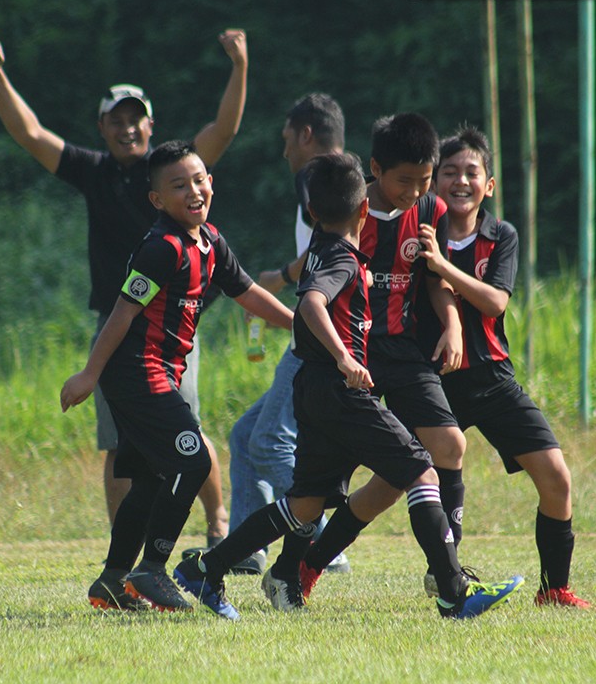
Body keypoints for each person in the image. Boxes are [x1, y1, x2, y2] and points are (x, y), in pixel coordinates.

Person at [173, 152, 523, 620]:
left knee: (304, 504)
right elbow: (313, 303)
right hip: (339, 389)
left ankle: (210, 568)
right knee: (420, 467)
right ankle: (454, 593)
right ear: (364, 211)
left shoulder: (321, 245)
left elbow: (308, 296)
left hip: (313, 388)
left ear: (312, 213)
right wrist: (344, 356)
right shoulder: (339, 256)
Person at [0, 31, 249, 543]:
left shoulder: (169, 170)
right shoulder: (94, 172)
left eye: (134, 119)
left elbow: (223, 131)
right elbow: (30, 134)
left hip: (174, 327)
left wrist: (239, 65)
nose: (126, 129)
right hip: (117, 329)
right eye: (116, 120)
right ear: (102, 127)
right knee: (118, 443)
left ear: (151, 124)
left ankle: (218, 525)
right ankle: (124, 545)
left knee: (186, 426)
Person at [60, 142, 293, 612]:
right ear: (157, 200)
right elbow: (122, 313)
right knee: (193, 462)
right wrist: (89, 373)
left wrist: (302, 325)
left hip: (160, 374)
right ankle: (153, 569)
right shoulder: (161, 248)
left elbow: (247, 292)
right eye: (178, 185)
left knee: (150, 480)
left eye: (200, 179)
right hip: (136, 375)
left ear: (212, 182)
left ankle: (112, 580)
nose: (194, 191)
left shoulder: (209, 242)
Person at [266, 113, 472, 602]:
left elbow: (433, 276)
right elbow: (316, 289)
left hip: (401, 351)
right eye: (406, 180)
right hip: (350, 356)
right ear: (376, 170)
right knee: (331, 482)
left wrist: (453, 322)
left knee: (448, 447)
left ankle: (448, 572)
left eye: (425, 180)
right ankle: (297, 566)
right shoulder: (346, 215)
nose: (415, 191)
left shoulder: (430, 210)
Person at [419, 125, 591, 608]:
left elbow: (495, 302)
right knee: (388, 486)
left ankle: (554, 589)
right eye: (449, 172)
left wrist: (445, 268)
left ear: (488, 185)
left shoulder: (501, 236)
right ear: (433, 183)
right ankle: (307, 568)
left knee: (556, 478)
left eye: (471, 172)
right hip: (432, 381)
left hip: (494, 379)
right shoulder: (417, 235)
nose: (460, 181)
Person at [222, 93, 350, 576]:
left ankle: (326, 544)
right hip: (321, 337)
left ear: (306, 136)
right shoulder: (350, 187)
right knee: (245, 436)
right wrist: (281, 275)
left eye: (286, 140)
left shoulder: (315, 177)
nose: (284, 153)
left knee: (270, 442)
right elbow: (328, 250)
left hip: (320, 342)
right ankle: (247, 552)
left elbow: (331, 250)